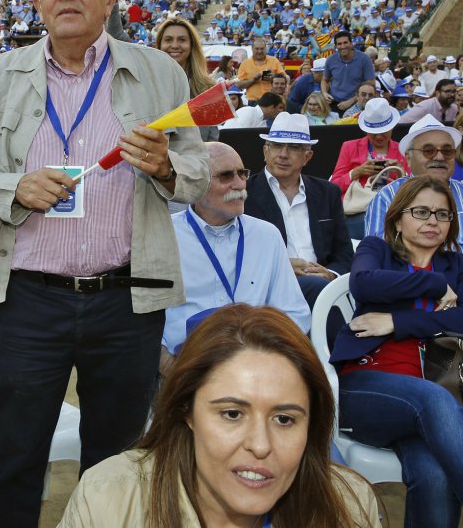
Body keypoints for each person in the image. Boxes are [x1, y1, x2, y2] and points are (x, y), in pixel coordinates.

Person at [0, 0, 210, 527]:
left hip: (126, 300)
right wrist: (14, 187)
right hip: (29, 300)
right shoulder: (0, 74)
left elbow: (197, 169)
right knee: (14, 457)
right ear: (36, 1)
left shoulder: (158, 73)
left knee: (116, 465)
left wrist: (167, 166)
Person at [61, 304, 381, 528]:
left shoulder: (346, 507)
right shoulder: (110, 500)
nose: (260, 445)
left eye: (284, 419)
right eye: (232, 414)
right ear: (186, 411)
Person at [331, 177, 463, 528]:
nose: (432, 221)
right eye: (420, 212)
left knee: (436, 475)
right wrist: (433, 284)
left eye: (442, 214)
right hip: (367, 386)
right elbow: (364, 282)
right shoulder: (376, 249)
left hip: (434, 395)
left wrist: (397, 322)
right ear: (398, 218)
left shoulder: (459, 265)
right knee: (434, 401)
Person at [364, 115, 463, 338]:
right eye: (428, 151)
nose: (439, 157)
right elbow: (380, 257)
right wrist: (429, 285)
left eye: (447, 151)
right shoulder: (388, 198)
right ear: (408, 157)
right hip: (412, 300)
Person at [162, 142, 310, 372]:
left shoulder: (266, 235)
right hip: (186, 367)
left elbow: (295, 313)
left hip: (258, 364)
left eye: (242, 173)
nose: (240, 185)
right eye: (226, 176)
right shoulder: (164, 236)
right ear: (195, 183)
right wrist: (172, 369)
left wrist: (266, 356)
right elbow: (144, 325)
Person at [244, 115, 353, 308]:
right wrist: (281, 267)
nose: (283, 154)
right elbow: (237, 254)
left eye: (294, 147)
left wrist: (331, 274)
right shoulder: (245, 193)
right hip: (266, 288)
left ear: (307, 157)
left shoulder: (327, 192)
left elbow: (344, 253)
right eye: (277, 145)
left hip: (324, 287)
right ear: (265, 151)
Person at [330, 98, 409, 239]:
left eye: (383, 131)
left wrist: (401, 171)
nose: (379, 136)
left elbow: (413, 187)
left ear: (391, 128)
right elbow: (334, 186)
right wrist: (356, 172)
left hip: (393, 212)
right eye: (373, 132)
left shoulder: (402, 150)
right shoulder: (349, 147)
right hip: (358, 212)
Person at [154, 19, 217, 141]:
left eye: (182, 40)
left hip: (198, 157)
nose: (175, 45)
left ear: (191, 45)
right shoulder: (147, 85)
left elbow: (212, 137)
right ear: (159, 45)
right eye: (168, 40)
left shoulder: (207, 87)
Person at [325, 31, 375, 114]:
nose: (343, 46)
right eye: (339, 44)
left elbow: (371, 84)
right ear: (336, 46)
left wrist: (351, 101)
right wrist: (324, 93)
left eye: (345, 43)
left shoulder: (364, 59)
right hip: (334, 105)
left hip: (356, 105)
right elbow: (325, 80)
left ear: (351, 43)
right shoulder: (330, 60)